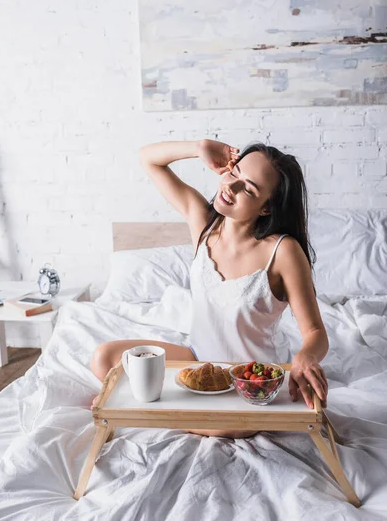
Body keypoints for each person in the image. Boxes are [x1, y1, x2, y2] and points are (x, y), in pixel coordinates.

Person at [91, 139, 329, 439]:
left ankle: (139, 411)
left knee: (230, 424)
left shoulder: (283, 251)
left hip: (248, 384)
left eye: (249, 189)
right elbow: (148, 158)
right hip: (196, 362)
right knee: (104, 358)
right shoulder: (202, 222)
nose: (232, 187)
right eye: (235, 172)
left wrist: (305, 357)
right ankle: (156, 410)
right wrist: (199, 147)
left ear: (266, 206)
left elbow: (315, 333)